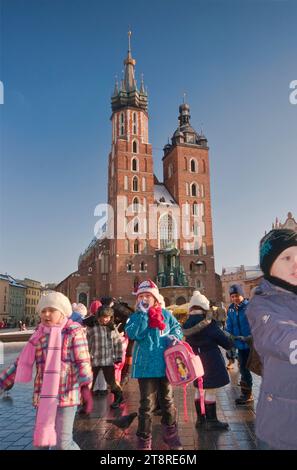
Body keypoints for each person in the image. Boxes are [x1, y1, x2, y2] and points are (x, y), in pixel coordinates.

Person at [0, 291, 93, 450]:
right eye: (43, 311)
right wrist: (2, 382)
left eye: (51, 310)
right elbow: (20, 362)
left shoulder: (73, 331)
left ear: (62, 312)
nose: (46, 314)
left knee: (63, 444)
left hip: (67, 395)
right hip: (44, 397)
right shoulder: (39, 335)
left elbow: (82, 360)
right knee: (42, 441)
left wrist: (85, 387)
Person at [247, 228, 297, 450]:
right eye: (286, 258)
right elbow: (278, 334)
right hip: (282, 429)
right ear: (269, 267)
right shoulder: (262, 303)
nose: (295, 263)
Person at [125, 280, 183, 451]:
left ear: (156, 299)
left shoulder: (166, 314)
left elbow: (177, 328)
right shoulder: (135, 317)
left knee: (168, 402)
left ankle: (171, 435)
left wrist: (175, 337)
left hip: (166, 365)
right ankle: (144, 441)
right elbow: (133, 334)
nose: (144, 299)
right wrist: (143, 315)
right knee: (146, 405)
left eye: (147, 296)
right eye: (141, 296)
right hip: (146, 367)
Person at [183, 291, 233, 430]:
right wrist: (230, 340)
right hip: (210, 361)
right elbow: (225, 342)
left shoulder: (187, 324)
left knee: (199, 389)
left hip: (195, 363)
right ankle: (211, 421)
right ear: (204, 308)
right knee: (210, 390)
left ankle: (200, 420)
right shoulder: (209, 323)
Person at [87, 305, 124, 409]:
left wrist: (118, 357)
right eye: (102, 317)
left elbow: (118, 344)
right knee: (89, 383)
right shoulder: (92, 329)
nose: (104, 319)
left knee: (111, 382)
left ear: (110, 318)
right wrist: (86, 357)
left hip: (108, 360)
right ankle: (85, 403)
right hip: (94, 360)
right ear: (98, 317)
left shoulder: (112, 329)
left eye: (107, 317)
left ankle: (119, 398)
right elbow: (87, 344)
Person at [225, 284, 253, 404]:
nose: (235, 298)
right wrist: (228, 336)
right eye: (232, 296)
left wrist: (250, 337)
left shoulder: (249, 307)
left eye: (237, 295)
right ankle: (247, 394)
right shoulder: (231, 309)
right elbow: (229, 325)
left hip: (252, 344)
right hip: (240, 345)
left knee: (260, 368)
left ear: (242, 295)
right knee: (243, 368)